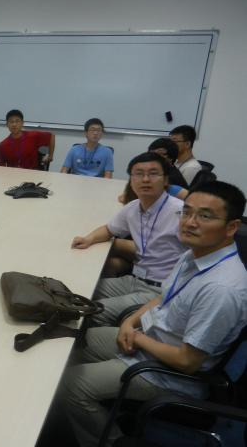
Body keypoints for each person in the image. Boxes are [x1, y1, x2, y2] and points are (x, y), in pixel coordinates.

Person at [61, 180, 247, 447]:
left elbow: (187, 361)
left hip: (164, 373)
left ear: (231, 227)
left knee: (69, 385)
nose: (190, 222)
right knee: (69, 343)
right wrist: (130, 321)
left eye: (205, 216)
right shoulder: (195, 254)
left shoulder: (221, 289)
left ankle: (113, 442)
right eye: (186, 212)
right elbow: (163, 297)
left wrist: (137, 338)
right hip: (149, 339)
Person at [71, 152, 187, 326]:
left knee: (89, 312)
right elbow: (108, 229)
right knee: (76, 291)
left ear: (165, 180)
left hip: (160, 290)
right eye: (138, 174)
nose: (145, 179)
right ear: (131, 180)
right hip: (134, 279)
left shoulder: (182, 214)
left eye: (153, 173)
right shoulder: (133, 207)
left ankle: (99, 337)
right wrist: (89, 239)